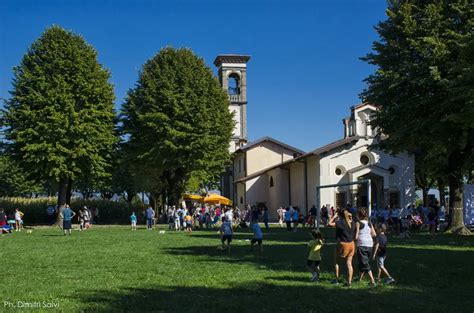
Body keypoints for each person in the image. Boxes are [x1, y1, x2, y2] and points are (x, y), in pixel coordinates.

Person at [328, 207, 355, 287]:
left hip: (342, 244)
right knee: (349, 263)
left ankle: (336, 279)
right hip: (351, 244)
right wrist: (349, 215)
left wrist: (334, 216)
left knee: (337, 262)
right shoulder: (352, 222)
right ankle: (349, 282)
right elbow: (351, 217)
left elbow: (329, 224)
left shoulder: (340, 222)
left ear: (340, 215)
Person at [355, 207, 376, 286]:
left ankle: (372, 281)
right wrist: (367, 234)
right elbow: (374, 234)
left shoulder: (358, 223)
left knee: (365, 263)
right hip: (370, 244)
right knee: (363, 262)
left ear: (359, 215)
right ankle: (359, 279)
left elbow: (356, 236)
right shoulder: (369, 223)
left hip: (362, 244)